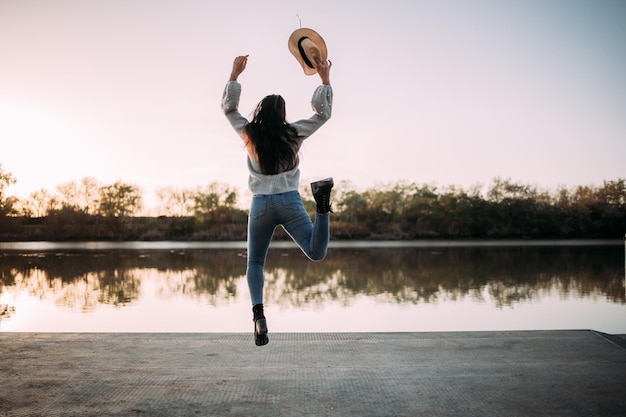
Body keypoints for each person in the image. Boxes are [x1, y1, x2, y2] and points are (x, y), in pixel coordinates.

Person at [222, 54, 334, 346]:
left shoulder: (249, 134)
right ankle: (322, 207)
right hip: (289, 202)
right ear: (282, 114)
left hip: (260, 205)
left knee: (255, 263)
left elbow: (229, 109)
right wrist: (324, 80)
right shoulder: (292, 133)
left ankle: (258, 314)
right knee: (316, 252)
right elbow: (323, 115)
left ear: (260, 112)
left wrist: (234, 76)